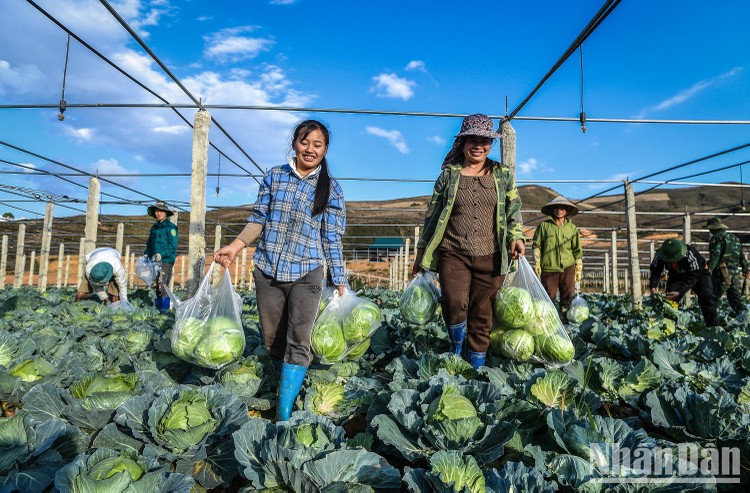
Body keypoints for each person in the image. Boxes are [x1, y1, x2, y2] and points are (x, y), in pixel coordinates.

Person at [213, 120, 346, 421]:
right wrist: (235, 247)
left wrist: (338, 278)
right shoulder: (274, 176)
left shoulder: (332, 189)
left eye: (318, 144)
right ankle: (277, 388)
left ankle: (284, 414)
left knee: (299, 340)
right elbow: (258, 219)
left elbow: (332, 237)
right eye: (304, 142)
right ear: (295, 143)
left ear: (325, 150)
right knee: (273, 339)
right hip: (269, 269)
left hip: (307, 272)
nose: (310, 149)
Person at [412, 113, 525, 370]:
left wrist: (516, 236)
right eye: (471, 140)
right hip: (454, 251)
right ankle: (456, 345)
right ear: (462, 143)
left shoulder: (502, 174)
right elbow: (432, 216)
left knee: (483, 313)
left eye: (484, 140)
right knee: (454, 302)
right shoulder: (448, 176)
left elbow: (513, 208)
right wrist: (420, 254)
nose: (478, 145)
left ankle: (476, 365)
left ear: (491, 144)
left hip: (491, 254)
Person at [649, 238, 719, 326]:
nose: (673, 263)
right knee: (670, 300)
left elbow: (694, 275)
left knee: (706, 297)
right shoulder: (660, 254)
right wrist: (653, 287)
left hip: (700, 273)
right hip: (677, 275)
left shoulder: (690, 253)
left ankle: (712, 327)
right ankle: (669, 327)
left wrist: (680, 291)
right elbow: (655, 271)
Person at [533, 196, 583, 316]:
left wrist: (579, 266)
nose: (559, 210)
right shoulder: (544, 226)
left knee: (567, 293)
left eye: (562, 208)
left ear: (567, 211)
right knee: (549, 295)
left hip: (568, 266)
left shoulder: (572, 228)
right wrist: (537, 261)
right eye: (556, 208)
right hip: (549, 266)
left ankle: (564, 317)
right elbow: (537, 245)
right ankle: (549, 317)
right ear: (552, 210)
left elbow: (577, 249)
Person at [706, 217, 749, 315]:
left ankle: (711, 322)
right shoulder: (734, 238)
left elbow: (715, 255)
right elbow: (741, 255)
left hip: (722, 272)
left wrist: (709, 270)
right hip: (735, 272)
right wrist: (745, 269)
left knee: (714, 298)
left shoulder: (716, 238)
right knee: (735, 300)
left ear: (713, 228)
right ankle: (746, 316)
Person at [144, 201, 178, 312]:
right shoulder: (154, 228)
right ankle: (158, 309)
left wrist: (161, 254)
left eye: (161, 211)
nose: (158, 213)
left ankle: (164, 311)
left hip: (166, 260)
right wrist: (147, 253)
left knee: (163, 285)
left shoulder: (171, 227)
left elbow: (172, 246)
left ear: (166, 213)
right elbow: (150, 243)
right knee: (155, 284)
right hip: (154, 260)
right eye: (157, 211)